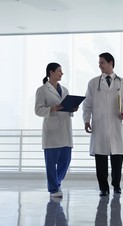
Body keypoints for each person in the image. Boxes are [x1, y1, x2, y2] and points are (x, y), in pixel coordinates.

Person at [83, 52, 123, 196]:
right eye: (99, 63)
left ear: (110, 63)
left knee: (117, 158)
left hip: (116, 123)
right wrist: (86, 120)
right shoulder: (93, 83)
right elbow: (87, 104)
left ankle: (116, 185)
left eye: (102, 62)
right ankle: (103, 188)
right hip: (99, 125)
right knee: (101, 159)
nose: (99, 65)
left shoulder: (122, 82)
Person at [35, 62, 78, 198]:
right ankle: (53, 189)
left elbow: (66, 107)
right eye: (59, 71)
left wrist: (72, 108)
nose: (62, 73)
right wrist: (51, 109)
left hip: (65, 130)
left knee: (65, 161)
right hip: (52, 132)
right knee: (51, 163)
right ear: (51, 72)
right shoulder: (42, 90)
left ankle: (57, 183)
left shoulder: (64, 90)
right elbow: (37, 110)